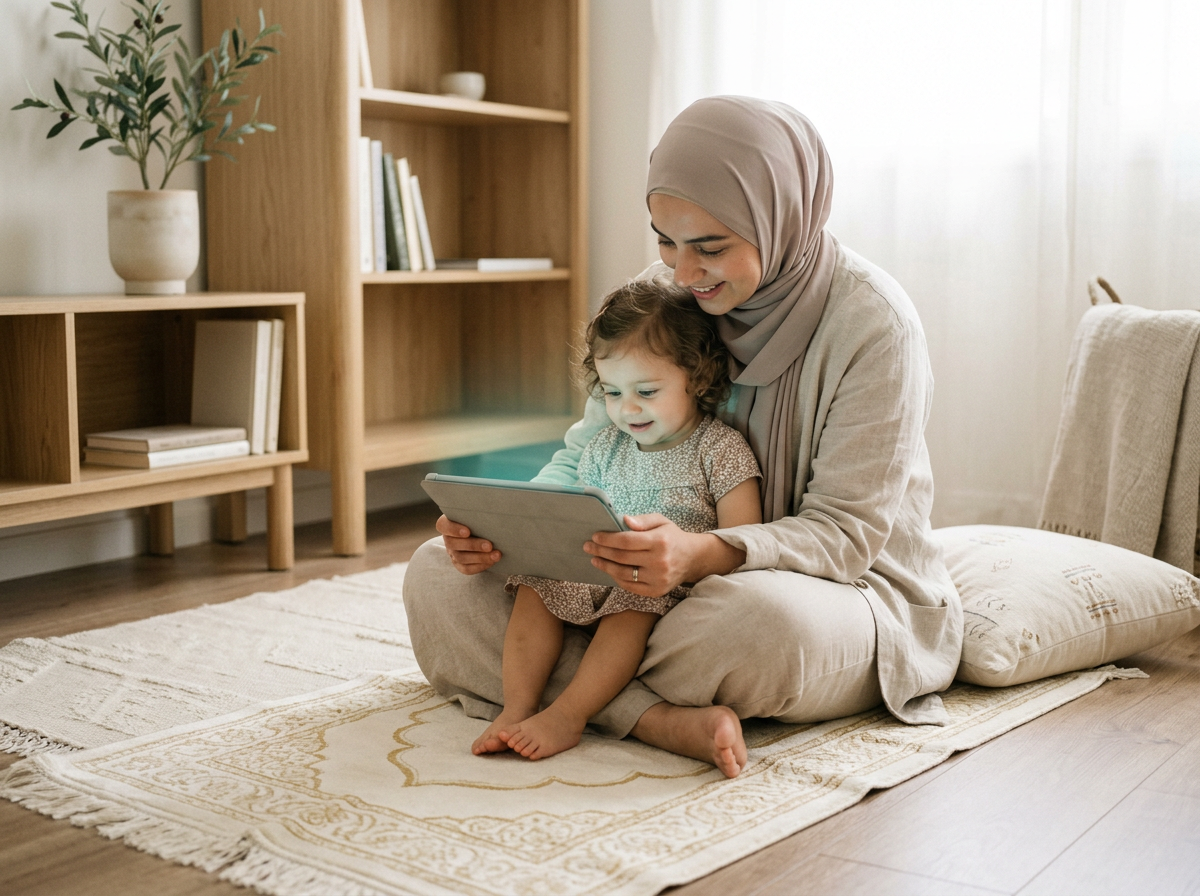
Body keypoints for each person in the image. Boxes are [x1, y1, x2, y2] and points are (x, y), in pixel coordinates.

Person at [404, 95, 963, 779]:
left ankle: (586, 699)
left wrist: (698, 556)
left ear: (781, 216)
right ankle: (657, 717)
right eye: (665, 241)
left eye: (711, 247)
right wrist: (507, 529)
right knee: (436, 575)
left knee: (760, 627)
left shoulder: (874, 325)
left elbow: (844, 536)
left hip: (830, 589)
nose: (682, 272)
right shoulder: (661, 299)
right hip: (633, 582)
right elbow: (588, 450)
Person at [471, 279, 762, 761]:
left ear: (696, 378)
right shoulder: (605, 447)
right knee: (533, 584)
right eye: (611, 391)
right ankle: (517, 708)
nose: (627, 408)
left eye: (646, 391)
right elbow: (576, 516)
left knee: (633, 601)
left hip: (661, 587)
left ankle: (569, 714)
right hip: (595, 571)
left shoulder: (720, 448)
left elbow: (742, 543)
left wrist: (684, 559)